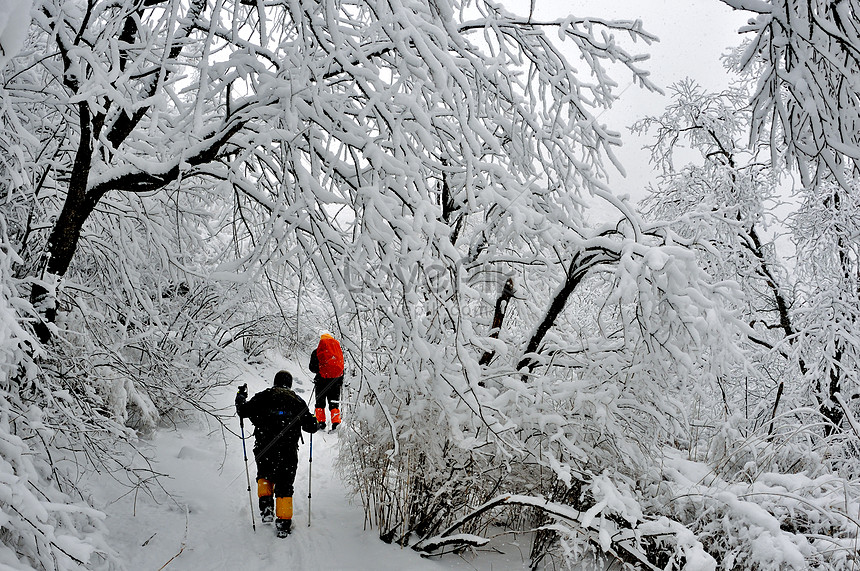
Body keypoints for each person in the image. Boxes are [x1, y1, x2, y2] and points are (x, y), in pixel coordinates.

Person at [235, 370, 318, 538]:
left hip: (264, 447)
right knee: (285, 483)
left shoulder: (264, 396)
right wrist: (314, 421)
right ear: (290, 384)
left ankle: (266, 507)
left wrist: (240, 396)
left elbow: (243, 411)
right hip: (288, 450)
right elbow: (310, 427)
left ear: (275, 382)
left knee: (264, 475)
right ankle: (283, 523)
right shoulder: (296, 400)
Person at [308, 330, 344, 431]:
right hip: (335, 381)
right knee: (334, 403)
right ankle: (336, 423)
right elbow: (341, 367)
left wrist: (320, 370)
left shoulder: (317, 351)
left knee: (320, 403)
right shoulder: (337, 352)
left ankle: (321, 423)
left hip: (321, 381)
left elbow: (312, 368)